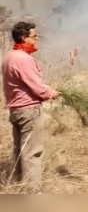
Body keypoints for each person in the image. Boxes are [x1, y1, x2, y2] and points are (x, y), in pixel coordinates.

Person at [2, 21, 59, 192]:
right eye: (34, 36)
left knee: (20, 151)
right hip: (29, 111)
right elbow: (37, 87)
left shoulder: (9, 56)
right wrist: (51, 93)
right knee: (32, 153)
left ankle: (20, 186)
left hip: (16, 110)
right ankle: (33, 193)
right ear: (23, 37)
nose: (37, 38)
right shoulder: (23, 59)